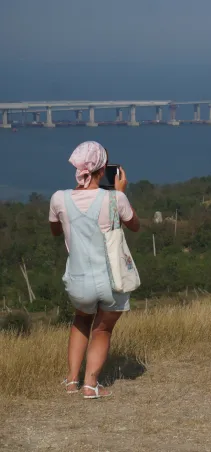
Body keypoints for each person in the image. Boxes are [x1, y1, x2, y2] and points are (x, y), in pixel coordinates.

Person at [49, 141, 140, 399]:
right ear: (103, 169)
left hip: (78, 280)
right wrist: (121, 192)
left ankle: (70, 381)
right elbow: (135, 225)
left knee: (81, 321)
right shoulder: (115, 198)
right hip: (111, 279)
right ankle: (90, 384)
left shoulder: (59, 198)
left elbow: (55, 230)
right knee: (102, 329)